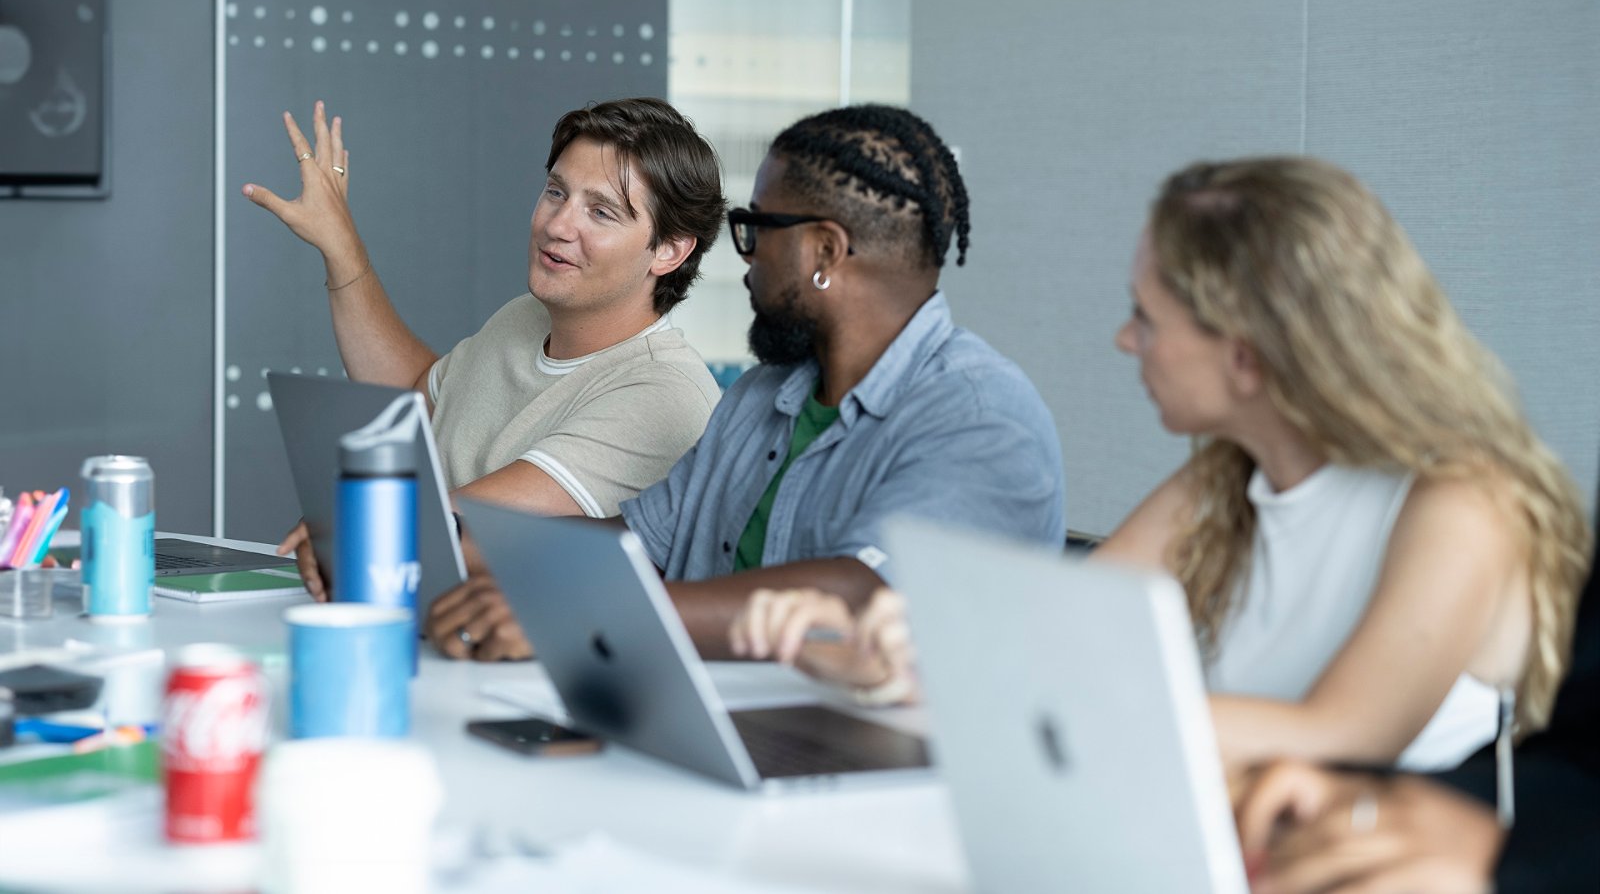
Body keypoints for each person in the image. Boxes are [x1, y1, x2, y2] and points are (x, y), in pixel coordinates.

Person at [731, 156, 1591, 772]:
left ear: (1246, 354)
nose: (1124, 339)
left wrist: (1000, 687)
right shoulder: (1224, 480)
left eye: (1147, 317)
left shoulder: (1461, 505)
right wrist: (879, 655)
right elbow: (1047, 640)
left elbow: (1340, 734)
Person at [423, 104, 1066, 661]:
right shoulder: (761, 400)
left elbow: (853, 596)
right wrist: (416, 537)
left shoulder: (980, 415)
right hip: (716, 732)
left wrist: (582, 615)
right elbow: (636, 546)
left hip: (871, 774)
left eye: (758, 229)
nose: (746, 256)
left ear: (823, 253)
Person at [242, 98, 726, 602]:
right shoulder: (524, 318)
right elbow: (415, 395)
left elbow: (450, 531)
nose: (558, 225)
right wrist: (339, 245)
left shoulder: (662, 393)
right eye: (555, 192)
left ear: (670, 250)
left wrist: (351, 520)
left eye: (601, 212)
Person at [1234, 511, 1600, 893]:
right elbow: (1580, 755)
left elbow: (1343, 727)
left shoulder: (1464, 513)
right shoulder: (1217, 490)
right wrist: (1364, 802)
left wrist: (1523, 860)